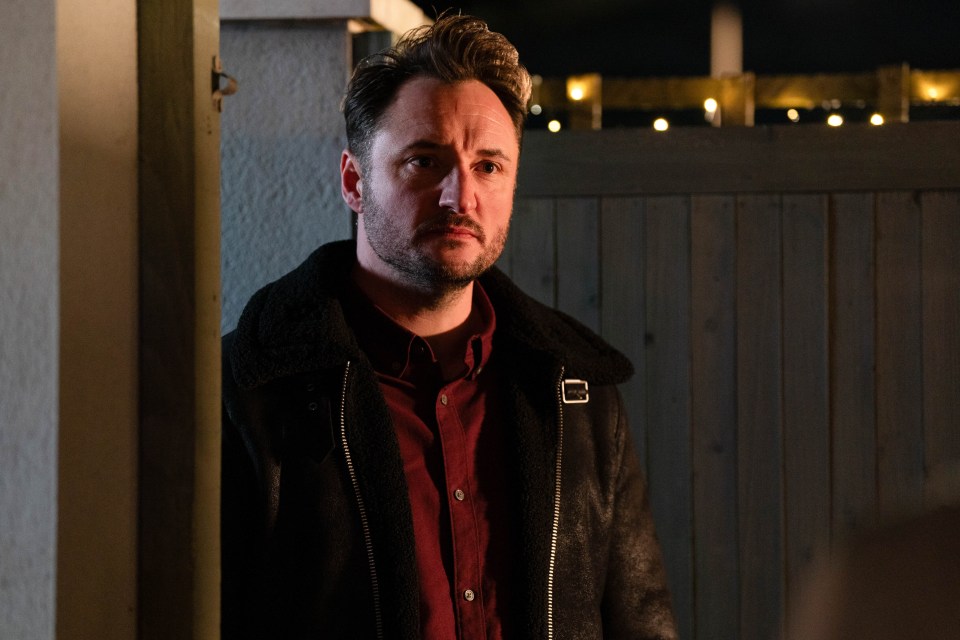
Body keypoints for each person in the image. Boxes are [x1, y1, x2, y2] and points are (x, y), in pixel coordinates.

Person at [221, 14, 677, 639]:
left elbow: (640, 620)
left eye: (488, 166)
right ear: (355, 181)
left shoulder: (579, 395)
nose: (459, 197)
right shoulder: (247, 393)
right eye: (424, 161)